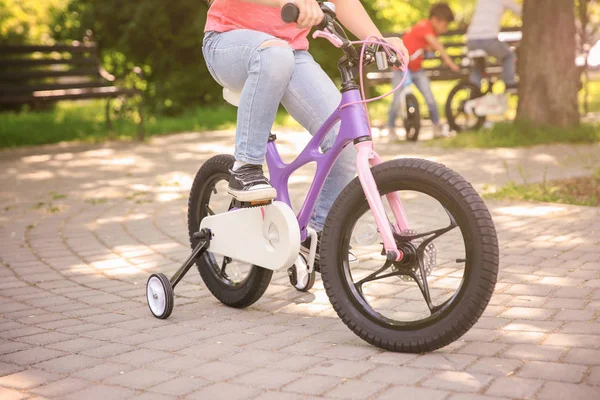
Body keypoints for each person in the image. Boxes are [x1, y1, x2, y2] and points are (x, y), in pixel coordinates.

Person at [202, 0, 408, 264]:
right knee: (274, 55)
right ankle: (246, 167)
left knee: (344, 139)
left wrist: (379, 40)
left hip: (291, 51)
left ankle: (318, 236)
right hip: (229, 42)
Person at [387, 2, 460, 138]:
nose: (445, 29)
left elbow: (427, 48)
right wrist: (451, 64)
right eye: (444, 25)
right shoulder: (424, 26)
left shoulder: (430, 31)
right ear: (435, 20)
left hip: (416, 69)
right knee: (396, 99)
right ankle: (390, 128)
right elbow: (438, 46)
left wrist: (427, 50)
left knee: (429, 97)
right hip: (400, 68)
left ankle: (436, 125)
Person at [467, 0, 521, 91]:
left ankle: (474, 91)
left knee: (478, 65)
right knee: (509, 56)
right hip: (488, 38)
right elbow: (521, 11)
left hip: (471, 39)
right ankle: (509, 84)